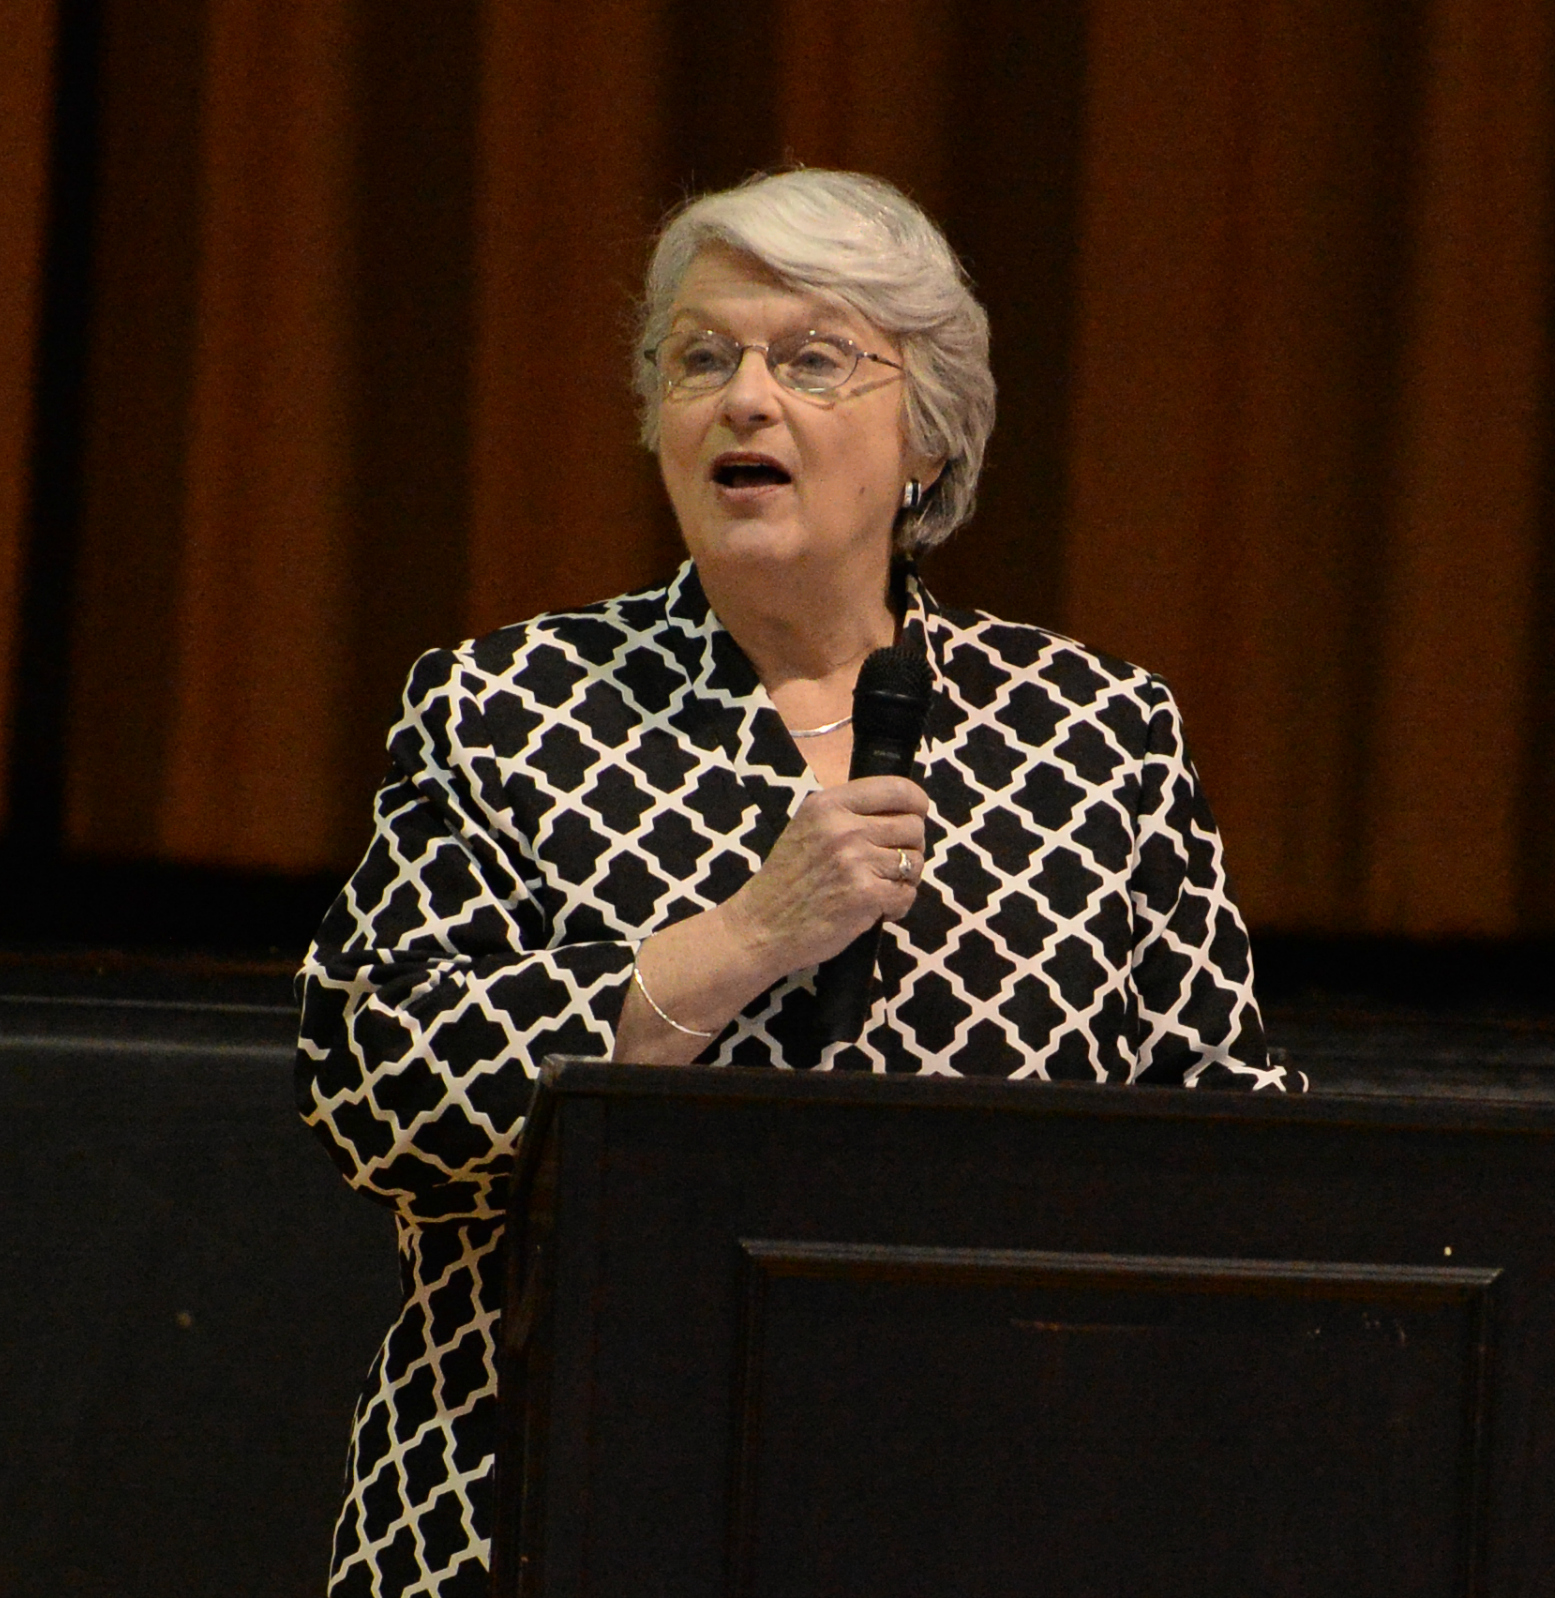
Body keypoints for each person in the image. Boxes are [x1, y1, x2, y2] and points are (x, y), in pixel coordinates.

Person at [296, 167, 1292, 1597]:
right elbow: (376, 1084)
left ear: (926, 437)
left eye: (813, 360)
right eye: (701, 359)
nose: (745, 400)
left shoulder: (1092, 732)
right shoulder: (511, 707)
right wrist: (748, 936)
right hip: (555, 1492)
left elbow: (1233, 1143)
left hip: (986, 1503)